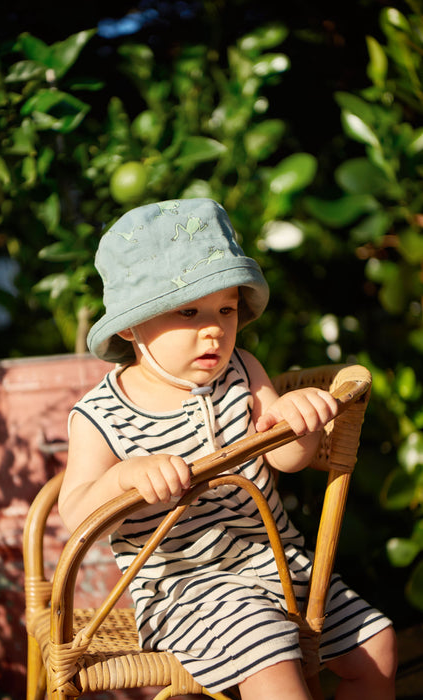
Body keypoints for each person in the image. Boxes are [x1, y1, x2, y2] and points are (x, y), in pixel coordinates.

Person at [59, 198, 397, 700]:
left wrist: (296, 420)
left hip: (278, 565)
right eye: (189, 311)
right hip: (186, 588)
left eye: (226, 308)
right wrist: (125, 476)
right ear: (130, 327)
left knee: (380, 645)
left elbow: (286, 457)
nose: (214, 328)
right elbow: (74, 512)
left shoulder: (242, 371)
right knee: (272, 657)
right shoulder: (101, 415)